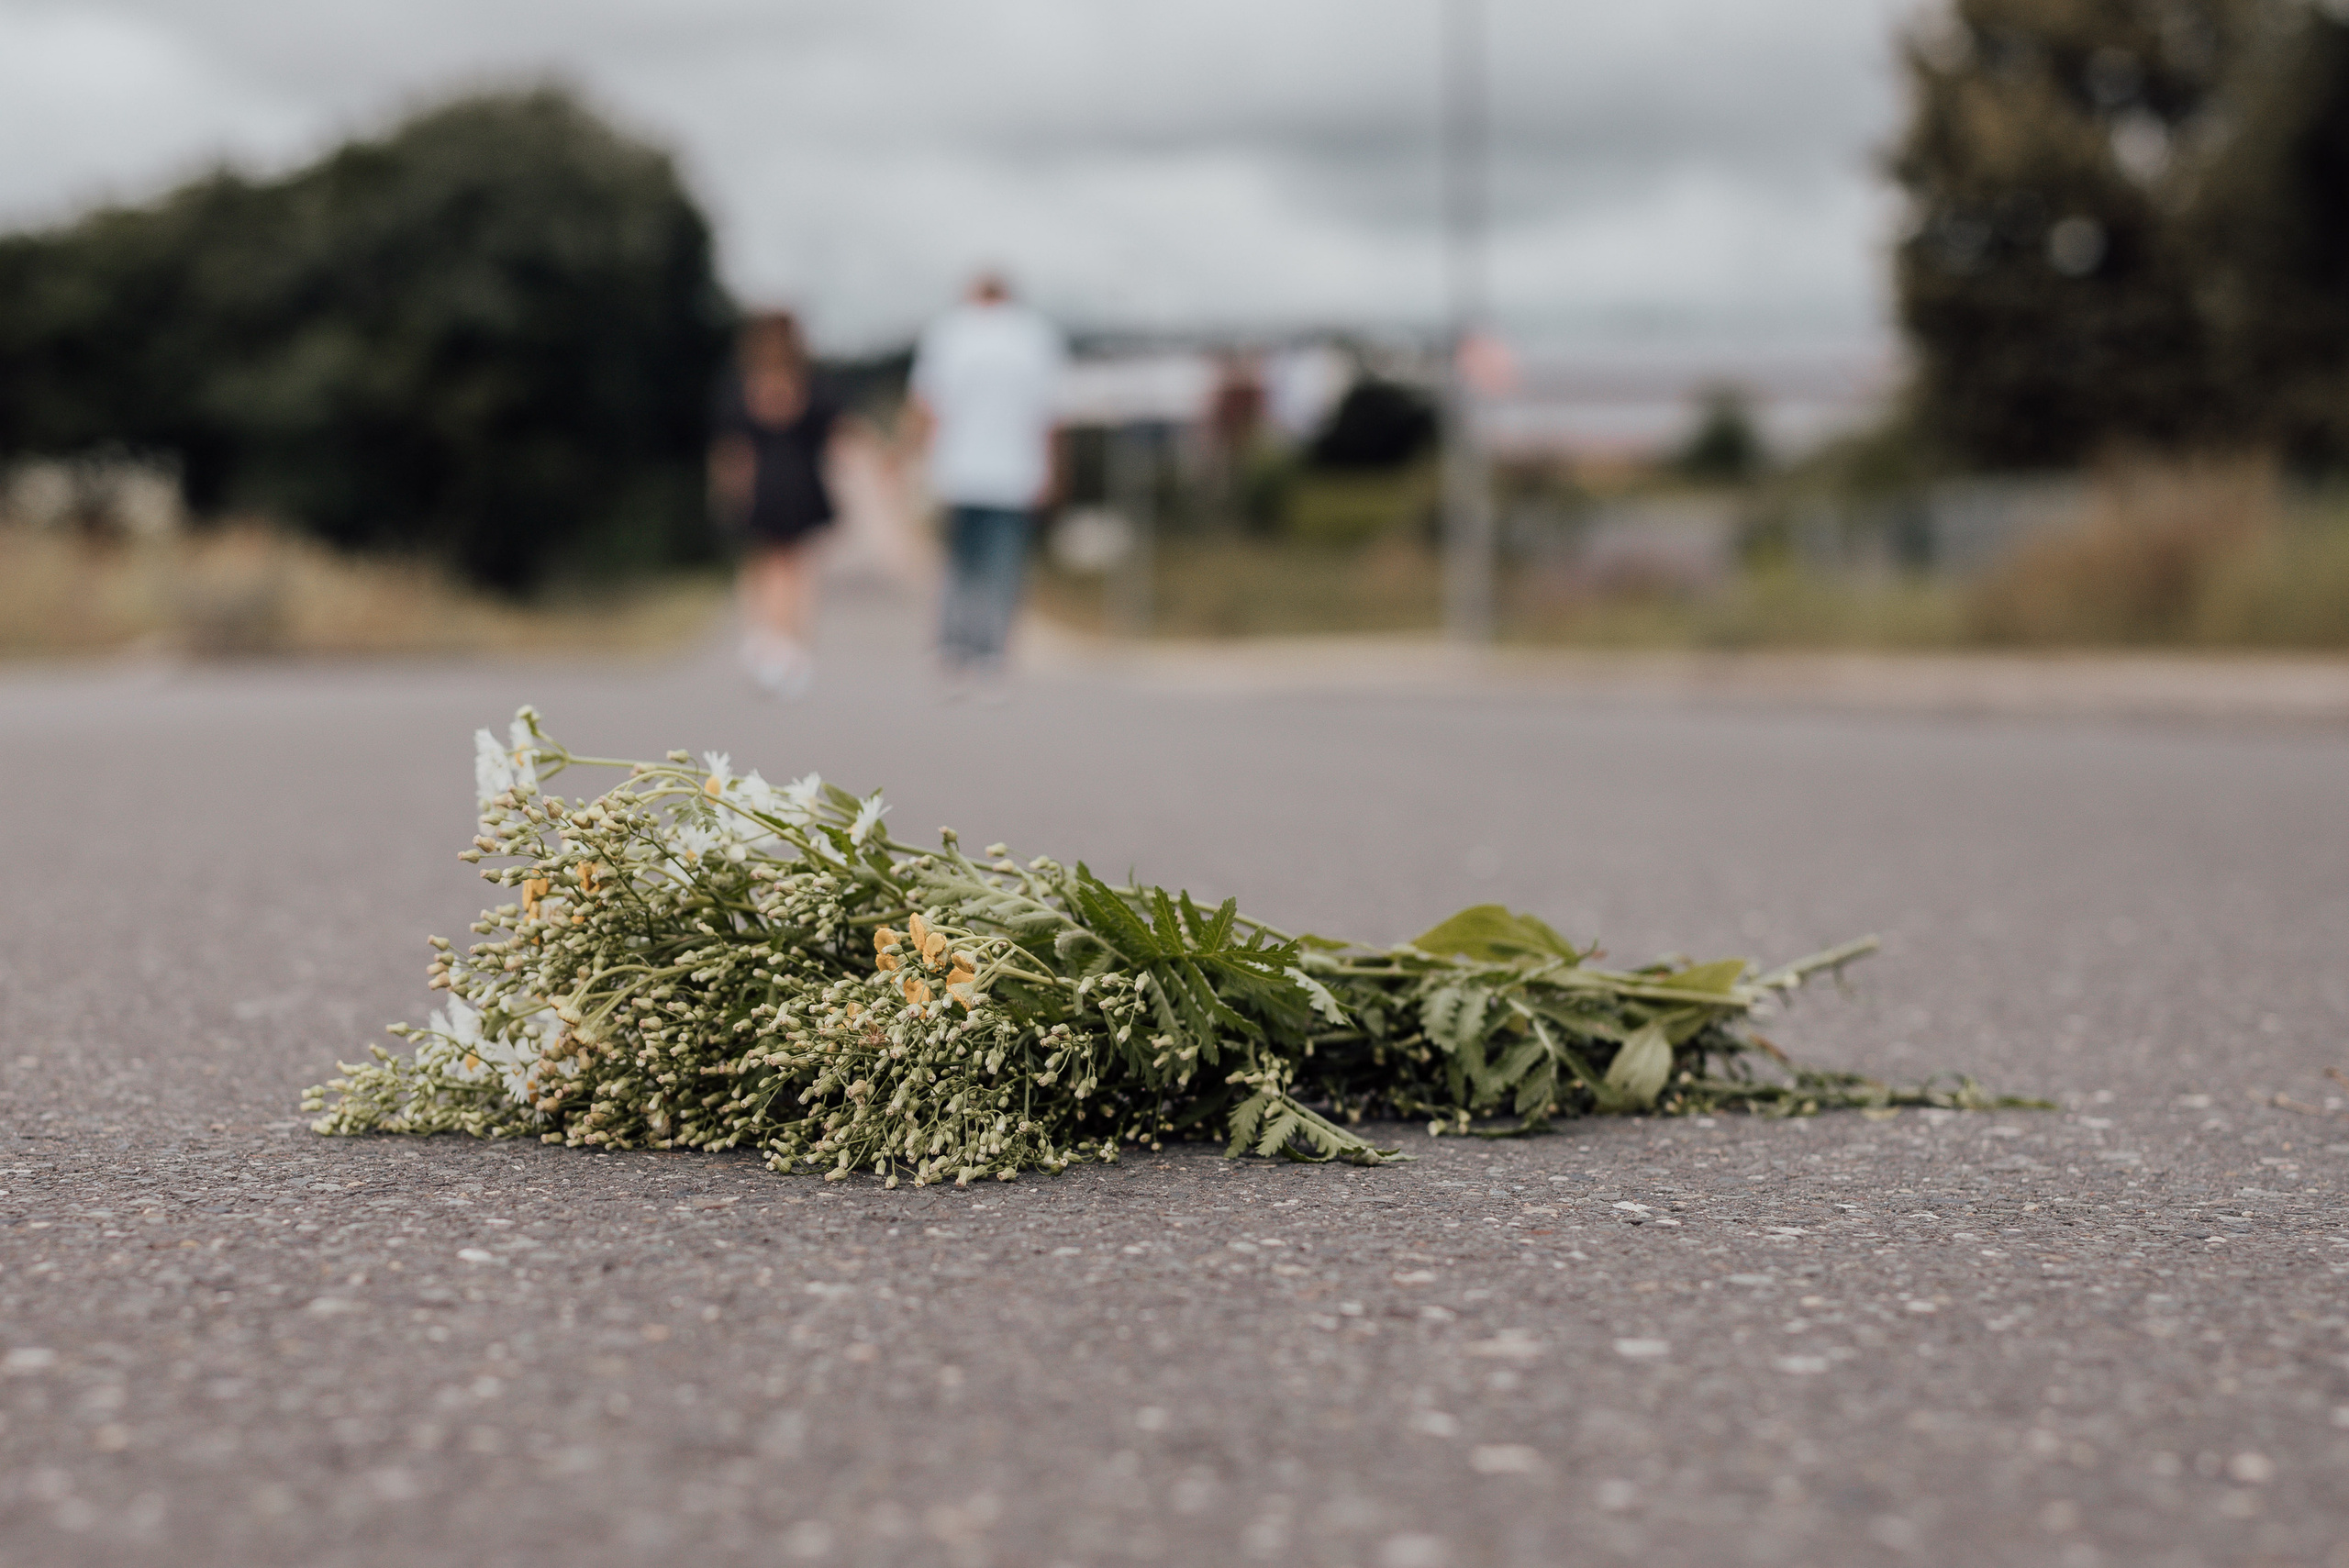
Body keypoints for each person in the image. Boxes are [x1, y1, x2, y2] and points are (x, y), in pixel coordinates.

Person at [907, 272, 1066, 687]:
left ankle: (952, 645)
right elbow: (1047, 412)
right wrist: (1050, 467)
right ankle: (992, 651)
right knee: (1003, 568)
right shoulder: (1035, 335)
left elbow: (928, 403)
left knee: (959, 563)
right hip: (1015, 469)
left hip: (957, 467)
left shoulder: (950, 330)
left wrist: (911, 457)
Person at [709, 311, 850, 697]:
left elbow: (733, 447)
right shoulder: (812, 384)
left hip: (764, 485)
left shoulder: (742, 386)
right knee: (796, 567)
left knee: (763, 562)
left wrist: (728, 489)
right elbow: (836, 434)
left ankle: (764, 639)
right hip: (802, 483)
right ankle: (791, 646)